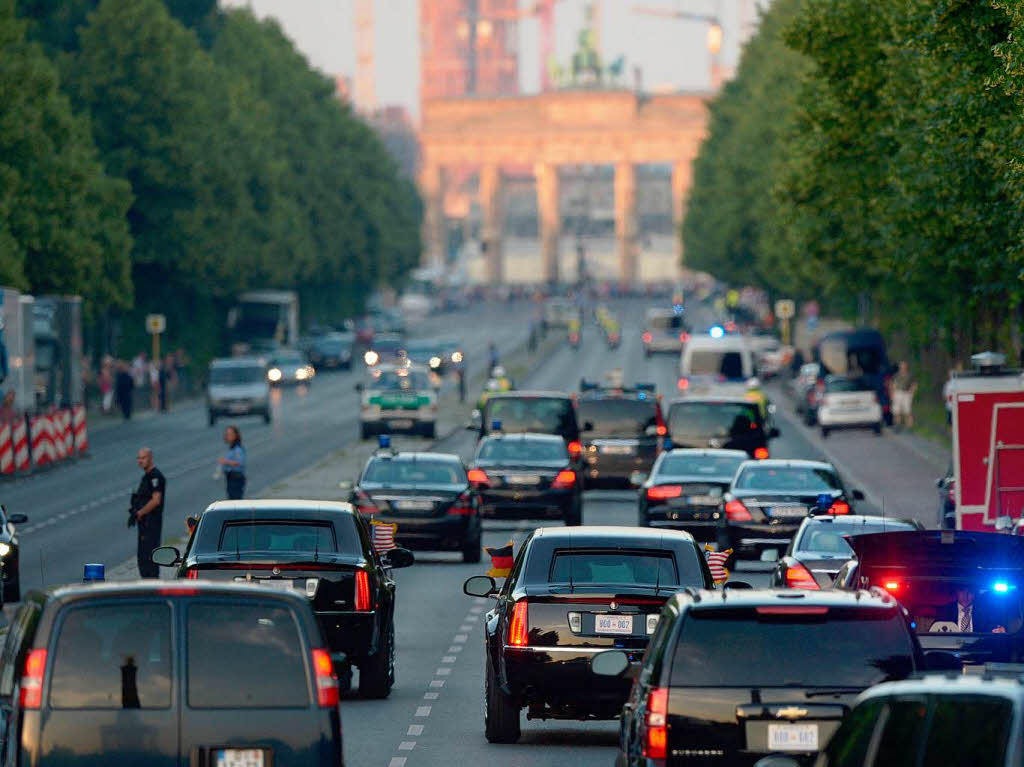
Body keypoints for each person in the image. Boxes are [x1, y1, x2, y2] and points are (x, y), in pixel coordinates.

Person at [132, 447, 165, 578]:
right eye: (138, 458)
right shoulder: (146, 477)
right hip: (144, 525)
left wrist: (140, 512)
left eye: (143, 458)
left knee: (149, 559)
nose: (140, 461)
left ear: (150, 458)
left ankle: (152, 587)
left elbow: (156, 500)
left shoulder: (155, 476)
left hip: (151, 524)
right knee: (142, 559)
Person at [934, 586, 1008, 634]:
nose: (966, 596)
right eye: (962, 591)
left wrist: (999, 630)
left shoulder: (985, 611)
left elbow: (993, 627)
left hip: (977, 650)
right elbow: (934, 630)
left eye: (970, 592)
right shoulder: (946, 610)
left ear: (975, 594)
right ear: (957, 593)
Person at [217, 425, 246, 499]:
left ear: (236, 436)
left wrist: (225, 461)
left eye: (230, 435)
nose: (227, 437)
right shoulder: (232, 448)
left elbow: (239, 463)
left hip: (236, 478)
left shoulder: (237, 449)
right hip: (230, 478)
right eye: (226, 434)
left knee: (235, 501)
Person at [891, 360, 917, 429]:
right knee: (896, 411)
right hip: (898, 393)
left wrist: (911, 393)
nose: (902, 367)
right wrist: (892, 394)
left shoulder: (910, 375)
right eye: (901, 365)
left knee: (907, 411)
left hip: (906, 393)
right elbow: (893, 385)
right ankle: (897, 425)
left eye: (904, 365)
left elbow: (914, 385)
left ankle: (909, 426)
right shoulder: (896, 375)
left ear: (906, 366)